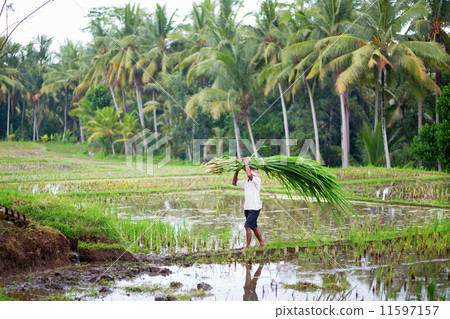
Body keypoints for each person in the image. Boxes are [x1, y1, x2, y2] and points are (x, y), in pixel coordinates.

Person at [232, 157, 265, 253]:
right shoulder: (246, 182)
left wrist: (246, 164)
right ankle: (262, 244)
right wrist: (237, 171)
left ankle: (247, 247)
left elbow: (250, 175)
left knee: (247, 226)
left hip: (255, 207)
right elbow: (234, 183)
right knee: (253, 227)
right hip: (247, 207)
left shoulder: (257, 180)